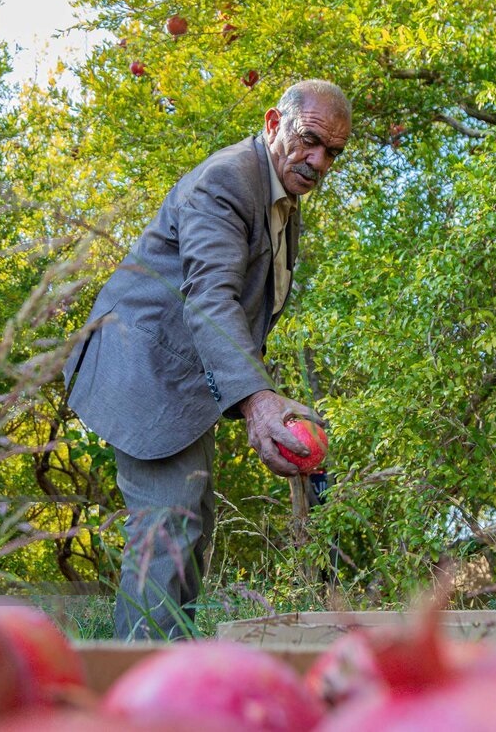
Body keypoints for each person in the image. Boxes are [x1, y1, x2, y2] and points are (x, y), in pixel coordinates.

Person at [63, 79, 352, 639]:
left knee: (190, 533)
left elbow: (242, 309)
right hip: (143, 370)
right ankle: (133, 706)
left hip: (183, 380)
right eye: (309, 140)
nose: (318, 161)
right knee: (169, 530)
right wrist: (258, 403)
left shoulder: (282, 199)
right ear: (274, 123)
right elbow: (211, 294)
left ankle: (170, 683)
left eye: (331, 152)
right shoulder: (225, 181)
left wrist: (261, 399)